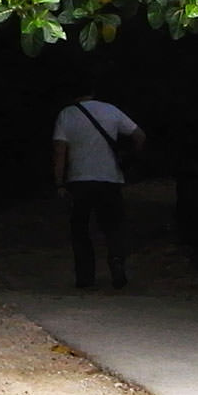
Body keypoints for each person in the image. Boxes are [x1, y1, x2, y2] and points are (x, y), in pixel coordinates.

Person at [52, 88, 145, 289]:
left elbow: (60, 151)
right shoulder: (111, 110)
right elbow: (139, 135)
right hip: (109, 179)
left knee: (81, 229)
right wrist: (130, 159)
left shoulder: (67, 114)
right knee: (114, 226)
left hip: (79, 180)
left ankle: (85, 276)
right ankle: (117, 263)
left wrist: (59, 181)